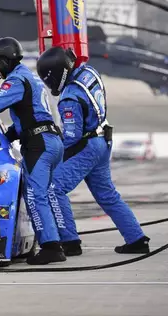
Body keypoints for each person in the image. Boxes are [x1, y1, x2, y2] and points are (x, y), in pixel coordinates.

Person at [0, 37, 66, 265]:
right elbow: (27, 118)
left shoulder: (16, 81)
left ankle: (51, 248)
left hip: (39, 144)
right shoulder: (30, 78)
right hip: (50, 141)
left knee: (35, 196)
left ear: (4, 60)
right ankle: (61, 242)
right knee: (45, 195)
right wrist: (3, 138)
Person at [36, 46, 150, 256]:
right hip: (103, 140)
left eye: (48, 78)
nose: (48, 83)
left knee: (54, 187)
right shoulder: (89, 73)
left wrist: (50, 147)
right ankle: (137, 239)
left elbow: (72, 137)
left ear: (57, 74)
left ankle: (69, 242)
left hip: (87, 146)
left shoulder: (69, 98)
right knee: (107, 194)